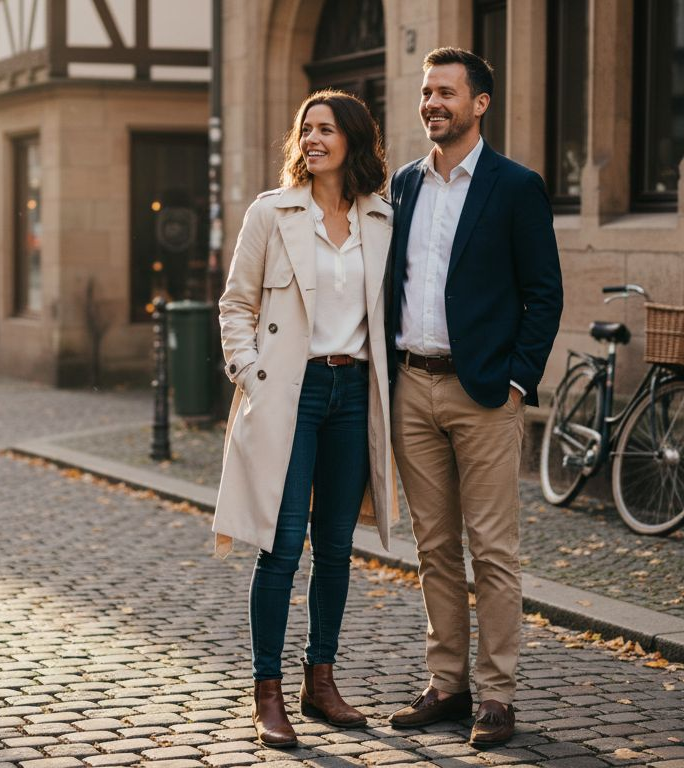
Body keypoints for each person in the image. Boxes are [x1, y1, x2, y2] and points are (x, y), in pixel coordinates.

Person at [385, 47, 563, 747]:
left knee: (492, 549)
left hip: (485, 393)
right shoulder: (404, 185)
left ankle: (497, 695)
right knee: (434, 548)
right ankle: (446, 684)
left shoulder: (515, 187)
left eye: (446, 92)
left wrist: (518, 377)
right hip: (412, 388)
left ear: (480, 103)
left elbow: (543, 294)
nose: (432, 102)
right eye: (427, 92)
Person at [214, 89, 397, 749]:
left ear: (353, 139)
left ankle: (320, 681)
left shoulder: (382, 217)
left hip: (353, 396)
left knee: (338, 548)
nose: (313, 139)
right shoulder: (272, 212)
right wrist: (250, 374)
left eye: (327, 129)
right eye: (306, 129)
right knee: (282, 544)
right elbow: (234, 304)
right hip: (289, 393)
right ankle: (267, 691)